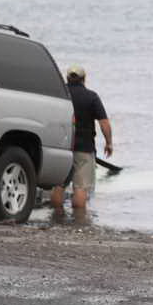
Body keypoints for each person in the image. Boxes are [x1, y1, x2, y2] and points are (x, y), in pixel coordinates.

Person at [51, 65, 112, 224]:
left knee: (59, 184)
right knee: (81, 187)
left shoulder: (59, 94)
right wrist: (109, 143)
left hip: (62, 147)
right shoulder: (91, 97)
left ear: (67, 78)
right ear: (84, 79)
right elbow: (104, 122)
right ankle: (79, 221)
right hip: (84, 148)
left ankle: (57, 217)